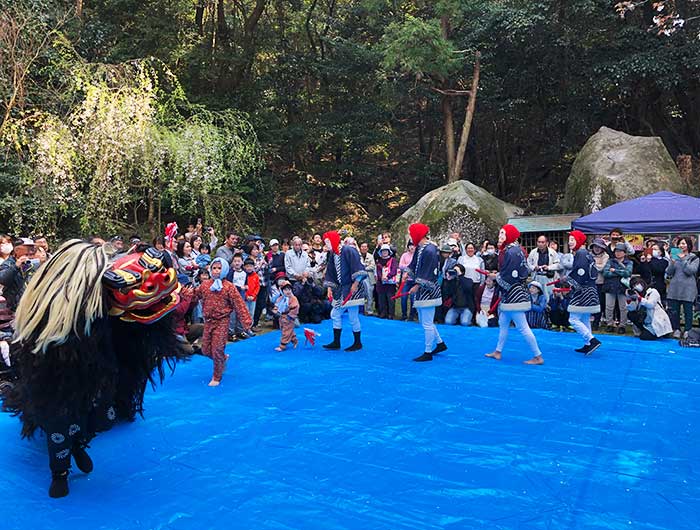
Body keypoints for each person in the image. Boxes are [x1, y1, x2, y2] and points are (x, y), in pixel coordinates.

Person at [2, 241, 187, 498]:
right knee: (59, 425)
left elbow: (132, 333)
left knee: (100, 417)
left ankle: (78, 444)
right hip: (58, 378)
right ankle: (60, 473)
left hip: (95, 374)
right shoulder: (54, 313)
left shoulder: (102, 304)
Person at [485, 224, 544, 365]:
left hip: (514, 295)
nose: (500, 236)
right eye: (500, 233)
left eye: (503, 233)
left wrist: (496, 277)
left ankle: (538, 355)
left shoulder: (511, 252)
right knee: (503, 323)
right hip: (514, 293)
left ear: (509, 235)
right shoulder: (517, 250)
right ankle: (498, 351)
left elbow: (509, 275)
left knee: (523, 327)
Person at [195, 257, 252, 387]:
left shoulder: (229, 287)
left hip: (222, 321)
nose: (216, 271)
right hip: (208, 321)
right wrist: (181, 293)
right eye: (214, 268)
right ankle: (222, 359)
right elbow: (194, 295)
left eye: (219, 268)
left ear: (225, 270)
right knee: (205, 350)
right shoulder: (205, 285)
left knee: (217, 349)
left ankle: (217, 376)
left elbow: (239, 304)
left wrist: (246, 322)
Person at [406, 223, 447, 362]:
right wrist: (407, 273)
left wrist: (417, 285)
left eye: (412, 233)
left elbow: (429, 272)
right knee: (426, 321)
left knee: (427, 323)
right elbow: (414, 264)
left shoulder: (429, 250)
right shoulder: (421, 248)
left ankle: (428, 351)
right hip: (424, 288)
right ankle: (440, 343)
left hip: (428, 290)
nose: (411, 236)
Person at [322, 230, 367, 351]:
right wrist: (330, 288)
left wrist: (356, 283)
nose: (326, 245)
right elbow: (331, 273)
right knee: (335, 314)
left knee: (353, 316)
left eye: (327, 242)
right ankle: (336, 342)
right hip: (342, 289)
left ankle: (357, 343)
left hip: (353, 288)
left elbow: (359, 267)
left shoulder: (348, 250)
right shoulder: (333, 254)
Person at [560, 230, 602, 354]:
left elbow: (580, 273)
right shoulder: (585, 253)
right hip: (590, 289)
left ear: (579, 241)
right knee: (584, 318)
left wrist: (567, 280)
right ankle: (588, 343)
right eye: (570, 240)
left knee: (573, 319)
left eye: (573, 240)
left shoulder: (581, 254)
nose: (570, 242)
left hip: (583, 291)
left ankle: (592, 340)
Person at [666, 237, 699, 339]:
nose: (681, 246)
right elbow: (669, 272)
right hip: (675, 287)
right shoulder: (675, 257)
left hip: (688, 288)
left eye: (684, 244)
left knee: (688, 311)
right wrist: (672, 262)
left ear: (689, 245)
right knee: (675, 311)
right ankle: (676, 329)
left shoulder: (694, 258)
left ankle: (688, 330)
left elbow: (690, 271)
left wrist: (683, 259)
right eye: (680, 244)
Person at [603, 242, 633, 333]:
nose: (618, 253)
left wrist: (614, 270)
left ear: (624, 252)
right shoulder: (610, 261)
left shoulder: (629, 262)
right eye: (616, 251)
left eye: (620, 251)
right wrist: (620, 272)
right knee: (609, 306)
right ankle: (609, 324)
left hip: (622, 287)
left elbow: (628, 273)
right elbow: (605, 273)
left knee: (623, 307)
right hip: (610, 286)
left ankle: (622, 325)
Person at [527, 234, 560, 299]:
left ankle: (549, 307)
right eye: (539, 242)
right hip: (537, 276)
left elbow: (558, 265)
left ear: (547, 243)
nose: (540, 244)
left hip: (548, 277)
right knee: (536, 296)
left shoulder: (552, 252)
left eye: (542, 242)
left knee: (549, 295)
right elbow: (528, 263)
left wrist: (548, 267)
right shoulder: (533, 252)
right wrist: (534, 267)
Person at [589, 238, 609, 331]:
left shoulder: (606, 256)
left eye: (599, 247)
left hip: (601, 283)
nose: (597, 249)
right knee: (590, 302)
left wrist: (592, 265)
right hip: (589, 283)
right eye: (595, 246)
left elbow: (602, 268)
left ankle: (597, 321)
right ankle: (590, 321)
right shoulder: (588, 255)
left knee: (600, 303)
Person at [273, 280, 299, 351]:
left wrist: (290, 315)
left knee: (286, 331)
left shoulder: (293, 299)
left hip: (289, 318)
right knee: (286, 330)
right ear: (281, 291)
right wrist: (275, 311)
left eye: (289, 289)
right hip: (282, 317)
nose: (288, 291)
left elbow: (295, 307)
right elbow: (277, 306)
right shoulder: (280, 299)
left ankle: (282, 346)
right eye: (285, 289)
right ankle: (294, 340)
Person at [375, 244, 398, 319]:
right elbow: (378, 271)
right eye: (383, 251)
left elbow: (394, 270)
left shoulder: (393, 260)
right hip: (381, 283)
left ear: (389, 252)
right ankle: (382, 313)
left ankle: (391, 314)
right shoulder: (378, 261)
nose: (384, 252)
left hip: (390, 284)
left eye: (386, 251)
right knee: (381, 299)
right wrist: (381, 277)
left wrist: (387, 277)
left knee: (390, 299)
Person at [398, 241, 416, 321]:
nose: (412, 247)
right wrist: (409, 267)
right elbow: (401, 266)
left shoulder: (417, 256)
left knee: (413, 298)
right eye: (410, 246)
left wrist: (408, 267)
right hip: (405, 280)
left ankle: (412, 315)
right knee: (403, 298)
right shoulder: (404, 255)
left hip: (415, 280)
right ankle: (404, 315)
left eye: (414, 246)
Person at [359, 242, 376, 315]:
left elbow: (372, 266)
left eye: (365, 247)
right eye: (362, 247)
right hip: (360, 278)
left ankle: (369, 310)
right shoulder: (358, 256)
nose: (364, 248)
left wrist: (364, 268)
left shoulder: (371, 256)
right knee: (361, 294)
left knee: (369, 294)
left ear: (367, 248)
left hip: (369, 278)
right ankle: (361, 310)